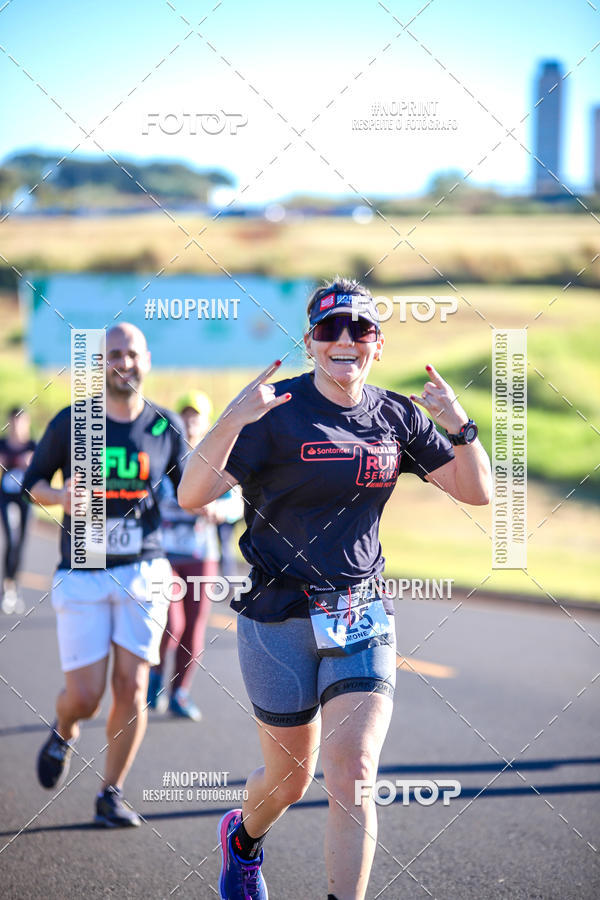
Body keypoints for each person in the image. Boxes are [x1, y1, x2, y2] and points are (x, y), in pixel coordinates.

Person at [178, 277, 492, 900]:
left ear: (378, 343)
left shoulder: (396, 414)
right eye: (329, 329)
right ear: (310, 342)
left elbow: (475, 490)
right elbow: (192, 495)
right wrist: (232, 419)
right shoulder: (273, 411)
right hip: (277, 615)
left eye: (360, 329)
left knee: (353, 773)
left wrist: (460, 425)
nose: (344, 340)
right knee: (289, 777)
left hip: (362, 610)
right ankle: (243, 840)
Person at [23, 323, 187, 827]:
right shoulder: (75, 420)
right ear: (102, 363)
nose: (124, 361)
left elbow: (192, 488)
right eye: (114, 353)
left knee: (133, 687)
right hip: (84, 569)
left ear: (147, 359)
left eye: (132, 353)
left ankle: (110, 792)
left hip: (144, 569)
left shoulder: (164, 426)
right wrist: (61, 497)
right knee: (86, 697)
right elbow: (31, 485)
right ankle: (65, 729)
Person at [148, 390, 243, 721]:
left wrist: (218, 510)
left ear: (206, 422)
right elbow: (146, 495)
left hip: (202, 554)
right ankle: (156, 678)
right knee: (172, 623)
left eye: (196, 415)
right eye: (185, 414)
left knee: (193, 629)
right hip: (165, 552)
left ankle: (181, 692)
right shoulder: (164, 453)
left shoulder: (218, 457)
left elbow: (238, 502)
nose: (190, 421)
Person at [0, 408, 36, 614]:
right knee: (11, 540)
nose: (16, 426)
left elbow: (43, 471)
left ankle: (15, 584)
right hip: (6, 498)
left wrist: (30, 463)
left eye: (20, 421)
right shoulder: (3, 444)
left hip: (25, 500)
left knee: (21, 543)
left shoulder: (32, 445)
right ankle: (7, 586)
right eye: (13, 422)